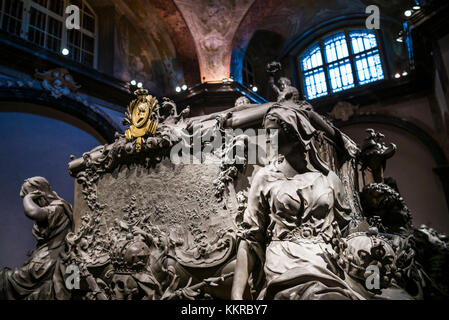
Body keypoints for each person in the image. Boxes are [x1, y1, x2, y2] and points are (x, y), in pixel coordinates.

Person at [231, 102, 370, 300]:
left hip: (326, 260)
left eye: (272, 132)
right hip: (283, 261)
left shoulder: (329, 179)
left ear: (293, 132)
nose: (268, 139)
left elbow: (347, 233)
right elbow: (250, 238)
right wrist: (236, 294)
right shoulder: (265, 177)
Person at [0, 177, 72, 300]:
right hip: (42, 260)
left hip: (48, 264)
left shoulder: (58, 208)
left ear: (38, 194)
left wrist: (28, 199)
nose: (34, 202)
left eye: (34, 199)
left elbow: (33, 213)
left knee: (5, 280)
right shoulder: (53, 209)